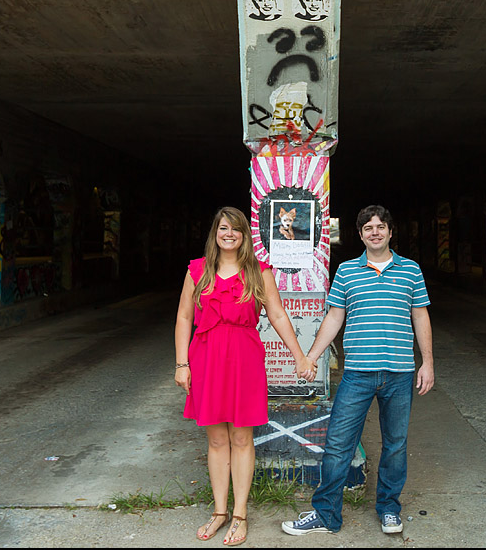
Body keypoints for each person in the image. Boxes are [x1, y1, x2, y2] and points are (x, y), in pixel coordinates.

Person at [282, 205, 433, 537]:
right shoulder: (347, 272)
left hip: (399, 373)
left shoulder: (411, 271)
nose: (375, 232)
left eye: (381, 226)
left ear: (391, 232)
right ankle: (326, 514)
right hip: (358, 373)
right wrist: (311, 357)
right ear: (360, 234)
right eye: (368, 228)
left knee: (395, 444)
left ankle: (389, 510)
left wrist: (428, 363)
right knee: (338, 444)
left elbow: (420, 316)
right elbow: (335, 317)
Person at [175, 206, 314, 546]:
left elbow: (279, 316)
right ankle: (219, 512)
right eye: (224, 228)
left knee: (241, 438)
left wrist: (300, 357)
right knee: (216, 439)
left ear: (244, 235)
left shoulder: (258, 271)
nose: (229, 234)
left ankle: (239, 514)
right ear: (215, 232)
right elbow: (183, 318)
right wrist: (181, 364)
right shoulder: (198, 271)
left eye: (236, 229)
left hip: (244, 361)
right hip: (206, 359)